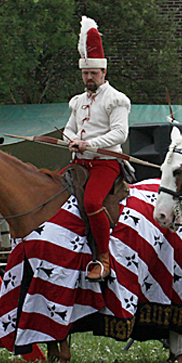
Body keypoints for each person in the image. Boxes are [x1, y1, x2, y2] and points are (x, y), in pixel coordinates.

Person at [63, 16, 131, 281]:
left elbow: (120, 133)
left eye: (93, 73)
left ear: (104, 73)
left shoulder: (116, 99)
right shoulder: (78, 101)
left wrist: (88, 144)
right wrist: (71, 140)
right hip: (79, 163)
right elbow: (69, 128)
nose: (89, 77)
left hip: (105, 163)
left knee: (92, 201)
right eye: (85, 73)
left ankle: (104, 259)